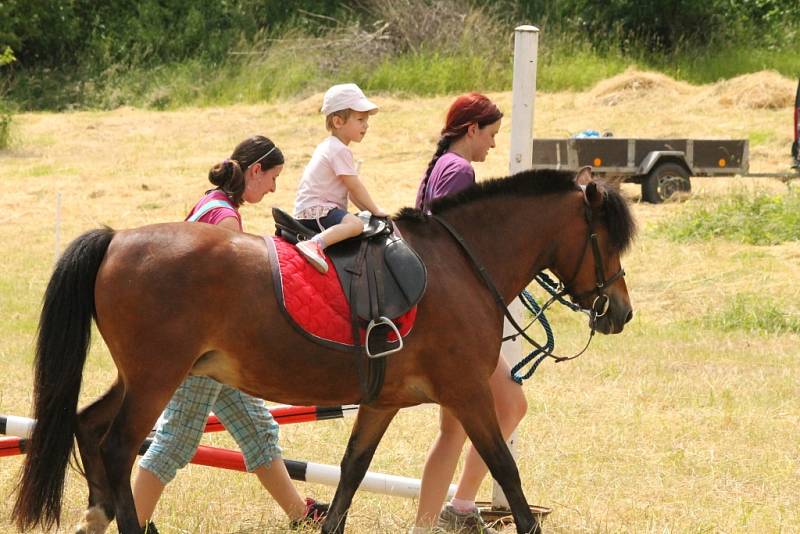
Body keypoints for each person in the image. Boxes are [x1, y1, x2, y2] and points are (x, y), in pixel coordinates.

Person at [132, 135, 328, 534]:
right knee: (178, 438)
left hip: (203, 344)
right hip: (206, 349)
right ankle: (130, 522)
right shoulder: (226, 220)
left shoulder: (211, 203)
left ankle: (299, 516)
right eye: (273, 177)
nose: (274, 187)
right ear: (255, 171)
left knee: (258, 430)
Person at [411, 94, 528, 534]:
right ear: (472, 130)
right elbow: (452, 240)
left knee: (457, 428)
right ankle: (456, 509)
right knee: (509, 406)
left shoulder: (442, 166)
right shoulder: (459, 170)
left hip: (443, 316)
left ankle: (443, 516)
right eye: (492, 135)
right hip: (456, 324)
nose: (494, 146)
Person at [293, 83, 388, 272]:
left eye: (366, 120)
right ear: (338, 122)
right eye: (360, 119)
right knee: (355, 225)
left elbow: (352, 194)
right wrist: (376, 210)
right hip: (318, 210)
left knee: (358, 220)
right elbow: (354, 187)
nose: (366, 125)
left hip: (316, 208)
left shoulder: (331, 146)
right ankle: (315, 244)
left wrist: (367, 210)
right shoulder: (339, 150)